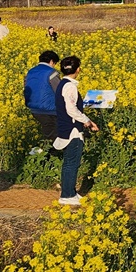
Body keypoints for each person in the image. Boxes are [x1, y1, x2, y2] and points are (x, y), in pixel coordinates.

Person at [52, 55, 98, 206]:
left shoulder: (62, 83)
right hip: (72, 130)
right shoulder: (70, 86)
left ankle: (70, 192)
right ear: (78, 69)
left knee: (69, 162)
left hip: (67, 127)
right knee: (72, 163)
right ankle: (67, 195)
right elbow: (71, 109)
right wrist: (87, 121)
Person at [24, 50, 62, 139]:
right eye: (55, 63)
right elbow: (59, 91)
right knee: (56, 136)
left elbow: (26, 87)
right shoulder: (52, 73)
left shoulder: (30, 72)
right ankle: (51, 152)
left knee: (48, 132)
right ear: (52, 61)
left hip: (34, 109)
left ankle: (47, 149)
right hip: (50, 110)